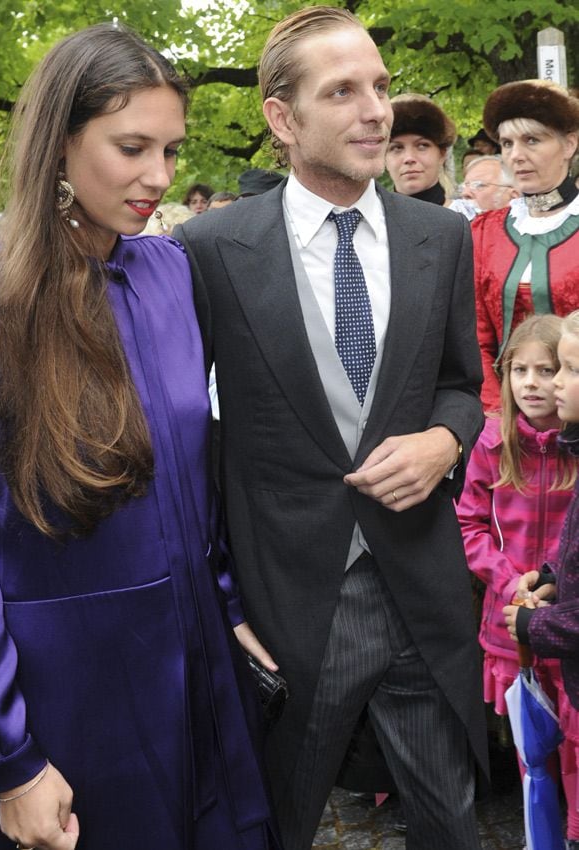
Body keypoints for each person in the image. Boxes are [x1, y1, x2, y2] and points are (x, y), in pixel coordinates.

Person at [0, 23, 278, 850]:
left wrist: (228, 604)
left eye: (172, 151)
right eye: (132, 146)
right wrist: (11, 760)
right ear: (60, 144)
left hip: (202, 675)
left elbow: (193, 466)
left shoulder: (172, 271)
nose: (159, 178)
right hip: (70, 700)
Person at [175, 7, 487, 850]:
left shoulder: (439, 238)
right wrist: (221, 590)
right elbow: (181, 434)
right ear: (283, 118)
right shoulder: (209, 250)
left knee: (452, 827)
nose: (376, 110)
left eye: (381, 87)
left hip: (423, 587)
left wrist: (445, 443)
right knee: (275, 825)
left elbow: (464, 385)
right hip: (292, 610)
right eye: (342, 91)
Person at [456, 315, 579, 839]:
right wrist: (510, 582)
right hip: (512, 626)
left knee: (573, 739)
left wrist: (551, 584)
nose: (531, 383)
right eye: (518, 370)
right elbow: (469, 523)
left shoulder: (574, 448)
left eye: (548, 369)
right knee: (534, 739)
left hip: (568, 628)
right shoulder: (492, 441)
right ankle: (542, 829)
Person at [503, 309, 579, 850]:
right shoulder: (497, 441)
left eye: (566, 370)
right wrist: (549, 575)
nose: (550, 385)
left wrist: (534, 624)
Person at [471, 80, 579, 412]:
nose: (516, 155)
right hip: (505, 420)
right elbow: (475, 336)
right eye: (506, 143)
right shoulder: (483, 232)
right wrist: (496, 415)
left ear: (569, 144)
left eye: (532, 140)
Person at [385, 93, 457, 205]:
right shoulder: (369, 221)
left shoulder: (473, 220)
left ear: (442, 154)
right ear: (384, 159)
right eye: (397, 148)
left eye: (422, 146)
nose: (409, 158)